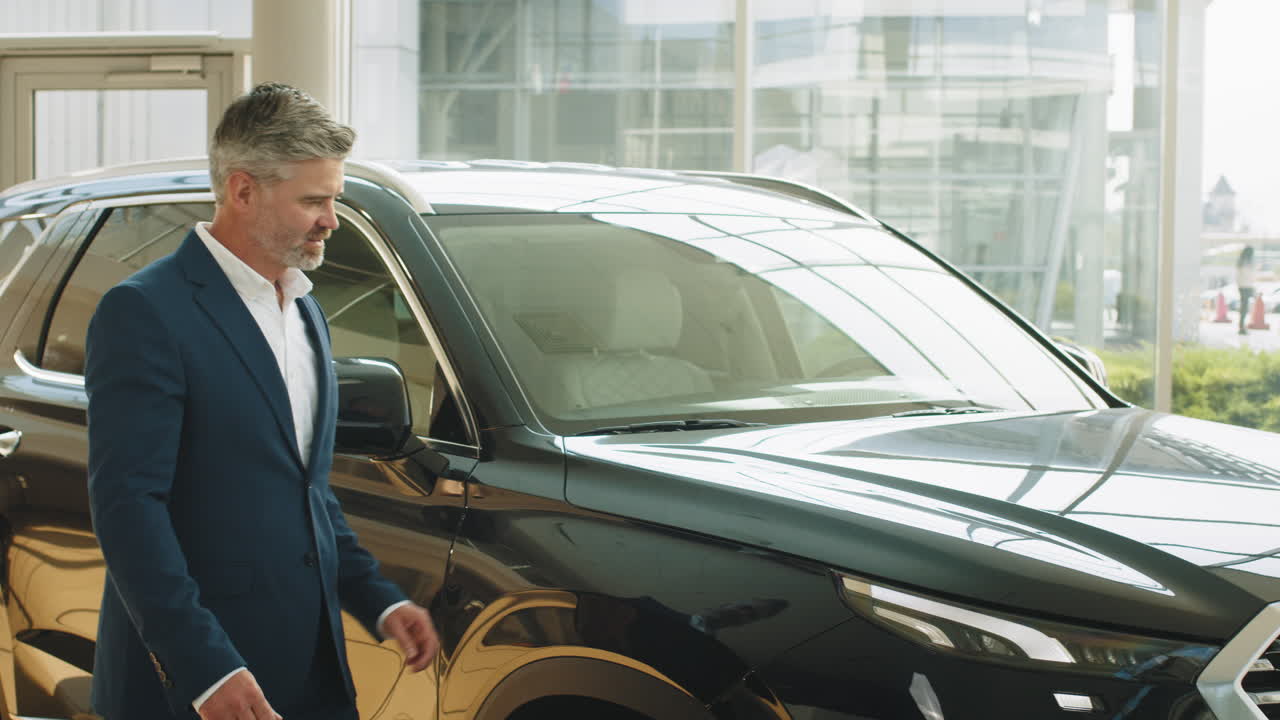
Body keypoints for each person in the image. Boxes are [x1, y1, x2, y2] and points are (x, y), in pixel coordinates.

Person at [84, 82, 439, 720]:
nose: (331, 218)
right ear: (243, 190)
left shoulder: (305, 309)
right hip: (197, 687)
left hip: (311, 672)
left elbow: (306, 491)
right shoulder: (143, 312)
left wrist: (379, 600)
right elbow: (129, 511)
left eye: (334, 198)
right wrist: (204, 668)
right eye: (315, 200)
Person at [1237, 245, 1256, 335]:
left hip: (1242, 286)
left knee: (1244, 307)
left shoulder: (1241, 261)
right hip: (1246, 286)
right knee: (1244, 307)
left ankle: (1242, 326)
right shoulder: (1247, 262)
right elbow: (1249, 275)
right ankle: (1242, 327)